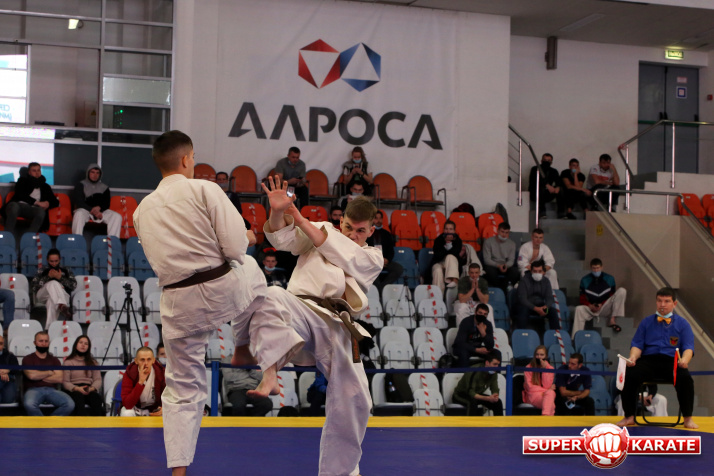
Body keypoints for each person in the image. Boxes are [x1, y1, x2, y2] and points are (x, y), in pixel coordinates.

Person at [133, 130, 264, 475]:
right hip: (221, 288)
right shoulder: (206, 189)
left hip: (178, 303)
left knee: (181, 388)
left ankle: (179, 471)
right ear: (186, 159)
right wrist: (248, 237)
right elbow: (234, 248)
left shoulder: (141, 210)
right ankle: (244, 347)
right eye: (192, 157)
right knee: (253, 269)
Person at [246, 177, 383, 476]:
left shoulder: (373, 257)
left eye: (361, 231)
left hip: (338, 324)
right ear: (341, 220)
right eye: (348, 227)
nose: (353, 235)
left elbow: (344, 254)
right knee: (271, 296)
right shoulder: (320, 227)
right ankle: (270, 374)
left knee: (356, 399)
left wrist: (300, 218)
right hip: (302, 308)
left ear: (371, 231)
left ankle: (341, 472)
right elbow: (282, 240)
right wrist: (278, 212)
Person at [617, 287, 698, 429]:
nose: (662, 305)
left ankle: (687, 418)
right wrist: (633, 357)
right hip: (649, 361)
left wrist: (684, 360)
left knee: (685, 379)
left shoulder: (683, 324)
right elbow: (637, 345)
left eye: (667, 301)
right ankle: (629, 416)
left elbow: (688, 347)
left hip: (671, 362)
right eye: (660, 301)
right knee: (629, 375)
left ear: (674, 304)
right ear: (656, 302)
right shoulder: (646, 322)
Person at [22, 331, 74, 416]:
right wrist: (49, 372)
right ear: (35, 343)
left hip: (52, 390)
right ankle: (43, 423)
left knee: (70, 404)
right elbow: (31, 376)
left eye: (46, 341)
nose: (44, 344)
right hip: (33, 390)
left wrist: (38, 375)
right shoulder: (28, 359)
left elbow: (59, 378)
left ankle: (49, 422)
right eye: (41, 341)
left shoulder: (54, 360)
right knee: (29, 404)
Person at [572, 258, 626, 337]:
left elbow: (612, 296)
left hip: (605, 307)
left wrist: (602, 304)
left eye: (598, 268)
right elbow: (582, 298)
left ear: (601, 267)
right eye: (594, 268)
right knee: (578, 309)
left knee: (622, 290)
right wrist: (590, 305)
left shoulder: (610, 279)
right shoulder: (585, 280)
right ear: (591, 268)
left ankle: (612, 320)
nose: (596, 270)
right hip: (591, 308)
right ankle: (576, 337)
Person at [2, 162, 59, 233]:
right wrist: (37, 202)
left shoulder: (45, 186)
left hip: (33, 209)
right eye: (34, 171)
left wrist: (48, 203)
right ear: (29, 172)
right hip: (19, 205)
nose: (37, 173)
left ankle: (30, 236)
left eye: (38, 170)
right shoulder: (22, 181)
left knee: (41, 212)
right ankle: (7, 234)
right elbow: (20, 195)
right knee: (13, 207)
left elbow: (55, 202)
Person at [71, 164, 122, 237]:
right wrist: (91, 210)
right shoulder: (80, 185)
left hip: (100, 211)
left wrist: (99, 209)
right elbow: (79, 202)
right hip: (85, 210)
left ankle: (112, 242)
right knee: (78, 214)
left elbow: (107, 204)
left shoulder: (104, 187)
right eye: (92, 172)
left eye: (97, 173)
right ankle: (77, 241)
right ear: (88, 173)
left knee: (117, 216)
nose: (95, 175)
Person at [31, 248, 77, 329]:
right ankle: (62, 305)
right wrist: (48, 277)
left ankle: (49, 329)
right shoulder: (42, 270)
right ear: (47, 260)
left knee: (51, 302)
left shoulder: (66, 270)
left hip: (63, 295)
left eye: (56, 261)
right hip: (43, 295)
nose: (54, 263)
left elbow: (73, 286)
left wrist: (60, 278)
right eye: (51, 261)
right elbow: (34, 287)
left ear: (60, 259)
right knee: (53, 283)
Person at [62, 335, 104, 416]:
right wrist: (77, 388)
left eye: (86, 344)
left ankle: (97, 422)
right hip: (74, 389)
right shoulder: (68, 362)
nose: (83, 345)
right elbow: (65, 382)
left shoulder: (93, 362)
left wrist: (91, 388)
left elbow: (98, 380)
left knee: (96, 398)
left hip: (89, 388)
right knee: (78, 398)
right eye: (81, 342)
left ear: (88, 347)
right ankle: (81, 422)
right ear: (76, 345)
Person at [452, 350, 503, 416]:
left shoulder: (493, 373)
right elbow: (471, 393)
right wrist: (488, 398)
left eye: (498, 364)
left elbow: (494, 388)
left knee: (498, 403)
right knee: (472, 402)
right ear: (487, 363)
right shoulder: (474, 370)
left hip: (477, 395)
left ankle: (500, 422)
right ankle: (472, 423)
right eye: (494, 364)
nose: (496, 367)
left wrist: (495, 396)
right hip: (461, 394)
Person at [514, 260, 560, 331]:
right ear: (531, 271)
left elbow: (549, 298)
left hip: (541, 306)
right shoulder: (524, 280)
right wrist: (536, 308)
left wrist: (546, 306)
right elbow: (522, 299)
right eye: (535, 271)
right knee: (523, 311)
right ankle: (521, 333)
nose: (537, 273)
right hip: (526, 306)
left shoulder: (546, 281)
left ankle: (556, 334)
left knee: (553, 311)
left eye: (539, 271)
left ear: (544, 272)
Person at [120, 346, 165, 417]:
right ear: (136, 361)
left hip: (154, 409)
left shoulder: (161, 372)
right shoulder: (130, 373)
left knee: (167, 413)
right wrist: (140, 382)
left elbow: (169, 396)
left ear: (153, 360)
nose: (146, 363)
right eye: (142, 360)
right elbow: (127, 404)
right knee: (127, 413)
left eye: (149, 359)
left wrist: (163, 408)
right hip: (135, 408)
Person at [216, 171, 257, 246]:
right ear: (216, 181)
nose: (221, 181)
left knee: (246, 224)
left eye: (223, 179)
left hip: (231, 219)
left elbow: (239, 211)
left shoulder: (233, 195)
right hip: (217, 218)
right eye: (219, 179)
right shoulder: (212, 194)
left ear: (227, 180)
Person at [366, 210, 403, 290]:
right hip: (372, 262)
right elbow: (365, 250)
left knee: (398, 268)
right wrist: (376, 260)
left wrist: (387, 260)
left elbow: (391, 251)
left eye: (380, 218)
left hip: (385, 261)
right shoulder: (367, 234)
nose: (378, 221)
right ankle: (378, 289)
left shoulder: (387, 234)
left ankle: (383, 287)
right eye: (376, 218)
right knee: (370, 271)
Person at [482, 222, 519, 293]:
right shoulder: (488, 242)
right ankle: (500, 289)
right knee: (489, 271)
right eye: (502, 232)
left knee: (515, 272)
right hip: (493, 265)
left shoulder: (512, 244)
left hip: (505, 265)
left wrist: (505, 266)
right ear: (498, 231)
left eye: (506, 232)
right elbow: (487, 260)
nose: (504, 235)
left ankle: (502, 290)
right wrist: (498, 265)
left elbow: (511, 260)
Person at [430, 220, 466, 293]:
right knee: (437, 270)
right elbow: (438, 255)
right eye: (446, 229)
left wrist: (449, 244)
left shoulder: (458, 240)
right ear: (443, 230)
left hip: (452, 263)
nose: (448, 231)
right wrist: (447, 244)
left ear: (454, 231)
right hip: (439, 262)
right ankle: (438, 294)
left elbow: (455, 253)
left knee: (450, 256)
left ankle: (453, 279)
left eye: (450, 229)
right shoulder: (438, 240)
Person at [522, 345, 555, 415]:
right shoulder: (528, 367)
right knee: (551, 405)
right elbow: (530, 387)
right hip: (532, 396)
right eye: (537, 355)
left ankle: (545, 417)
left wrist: (544, 370)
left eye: (542, 355)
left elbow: (547, 385)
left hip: (545, 395)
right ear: (534, 356)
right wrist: (546, 390)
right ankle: (546, 419)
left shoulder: (550, 369)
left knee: (551, 393)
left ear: (546, 356)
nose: (539, 357)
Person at [529, 153, 564, 219]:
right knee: (540, 188)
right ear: (541, 161)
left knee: (561, 189)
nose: (546, 162)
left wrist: (557, 187)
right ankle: (542, 212)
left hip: (547, 193)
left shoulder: (553, 171)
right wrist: (547, 185)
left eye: (548, 160)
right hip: (535, 193)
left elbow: (559, 181)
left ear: (551, 162)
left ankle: (561, 213)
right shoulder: (535, 169)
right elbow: (533, 182)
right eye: (545, 160)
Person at [0, 334, 19, 403]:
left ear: (3, 345)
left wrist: (8, 370)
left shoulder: (10, 355)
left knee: (8, 400)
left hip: (8, 380)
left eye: (1, 344)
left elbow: (16, 369)